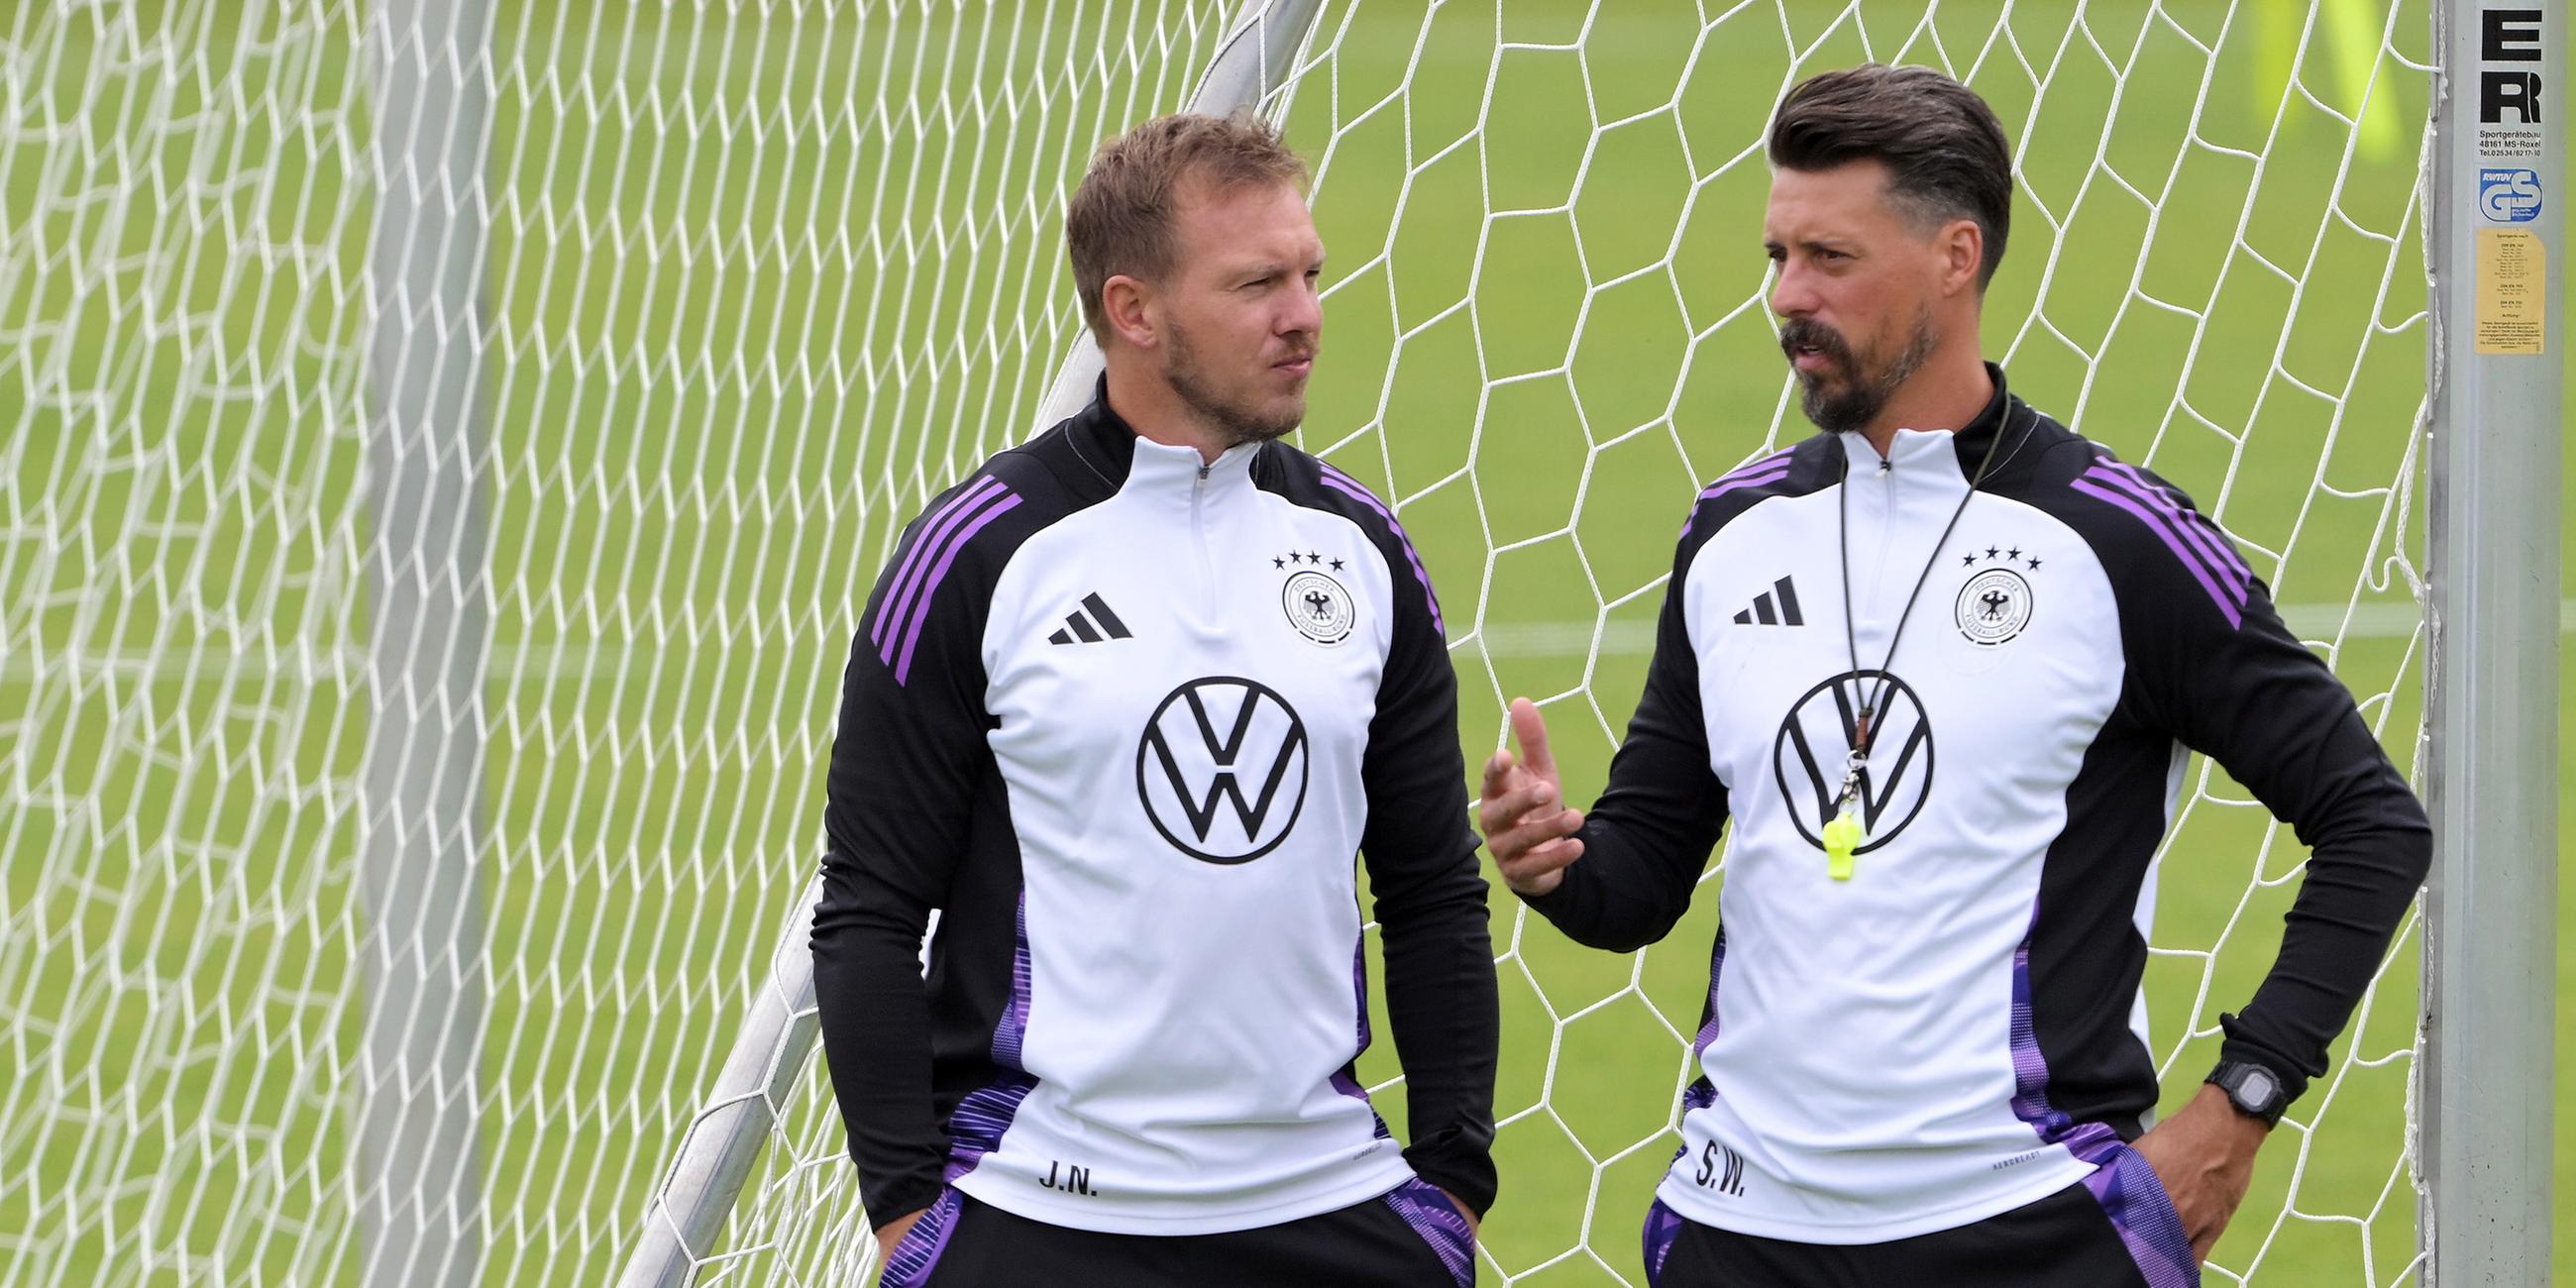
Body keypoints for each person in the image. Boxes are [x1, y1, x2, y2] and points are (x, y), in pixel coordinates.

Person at [1478, 64, 2430, 1288]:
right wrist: (1554, 858)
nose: (1787, 298)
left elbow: (2370, 819)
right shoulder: (1730, 532)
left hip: (2027, 1228)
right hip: (1743, 1230)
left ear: (1954, 257)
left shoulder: (2115, 539)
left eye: (1828, 256)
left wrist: (2238, 1103)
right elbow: (1637, 886)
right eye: (1775, 255)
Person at [811, 111, 1496, 1288]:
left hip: (1329, 1209)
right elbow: (868, 908)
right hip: (1042, 1213)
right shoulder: (981, 554)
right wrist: (907, 1219)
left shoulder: (1359, 547)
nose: (1303, 316)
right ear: (1133, 311)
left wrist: (1451, 1187)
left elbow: (1432, 890)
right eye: (1256, 284)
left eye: (1308, 274)